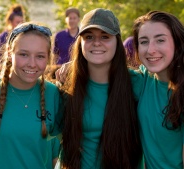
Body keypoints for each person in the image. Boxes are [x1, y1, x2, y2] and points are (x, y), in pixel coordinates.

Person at [53, 8, 143, 168]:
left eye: (105, 36)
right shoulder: (67, 83)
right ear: (80, 43)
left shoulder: (136, 83)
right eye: (89, 37)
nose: (96, 42)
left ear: (117, 41)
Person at [130, 10, 184, 168]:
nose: (150, 49)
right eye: (143, 41)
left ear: (177, 43)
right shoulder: (144, 79)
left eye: (160, 40)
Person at [0, 22, 60, 169]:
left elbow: (57, 150)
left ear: (48, 58)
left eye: (40, 56)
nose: (32, 64)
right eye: (23, 54)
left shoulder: (53, 94)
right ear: (9, 54)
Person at [0, 4, 25, 71]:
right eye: (18, 22)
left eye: (22, 22)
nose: (20, 25)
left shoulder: (25, 36)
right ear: (11, 22)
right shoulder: (4, 36)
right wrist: (1, 68)